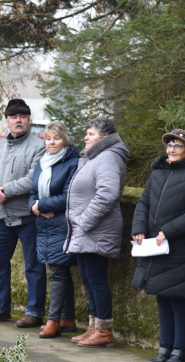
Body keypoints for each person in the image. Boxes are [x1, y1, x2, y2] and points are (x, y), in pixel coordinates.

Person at [131, 129, 185, 362]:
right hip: (156, 246)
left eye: (177, 146)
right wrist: (138, 227)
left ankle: (180, 351)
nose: (171, 149)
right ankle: (164, 349)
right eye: (169, 145)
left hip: (181, 247)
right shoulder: (158, 172)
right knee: (161, 296)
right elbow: (144, 202)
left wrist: (167, 231)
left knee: (178, 298)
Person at [0, 99, 46, 326]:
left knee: (33, 267)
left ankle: (34, 312)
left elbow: (32, 179)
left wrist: (5, 190)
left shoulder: (39, 146)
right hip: (2, 217)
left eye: (23, 116)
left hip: (28, 218)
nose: (19, 120)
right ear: (7, 120)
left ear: (29, 120)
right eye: (14, 116)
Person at [64, 116, 129, 347]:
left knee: (96, 279)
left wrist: (84, 221)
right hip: (86, 230)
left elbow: (108, 193)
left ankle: (104, 331)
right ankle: (93, 327)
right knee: (88, 279)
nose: (85, 137)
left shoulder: (108, 157)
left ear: (104, 137)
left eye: (90, 133)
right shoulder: (93, 157)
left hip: (96, 229)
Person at [28, 121, 79, 338]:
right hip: (44, 224)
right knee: (60, 271)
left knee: (57, 272)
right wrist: (34, 206)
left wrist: (42, 205)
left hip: (62, 224)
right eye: (48, 138)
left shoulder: (73, 163)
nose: (52, 142)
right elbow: (33, 191)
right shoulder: (42, 163)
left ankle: (53, 321)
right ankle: (68, 318)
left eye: (56, 138)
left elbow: (69, 196)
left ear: (65, 140)